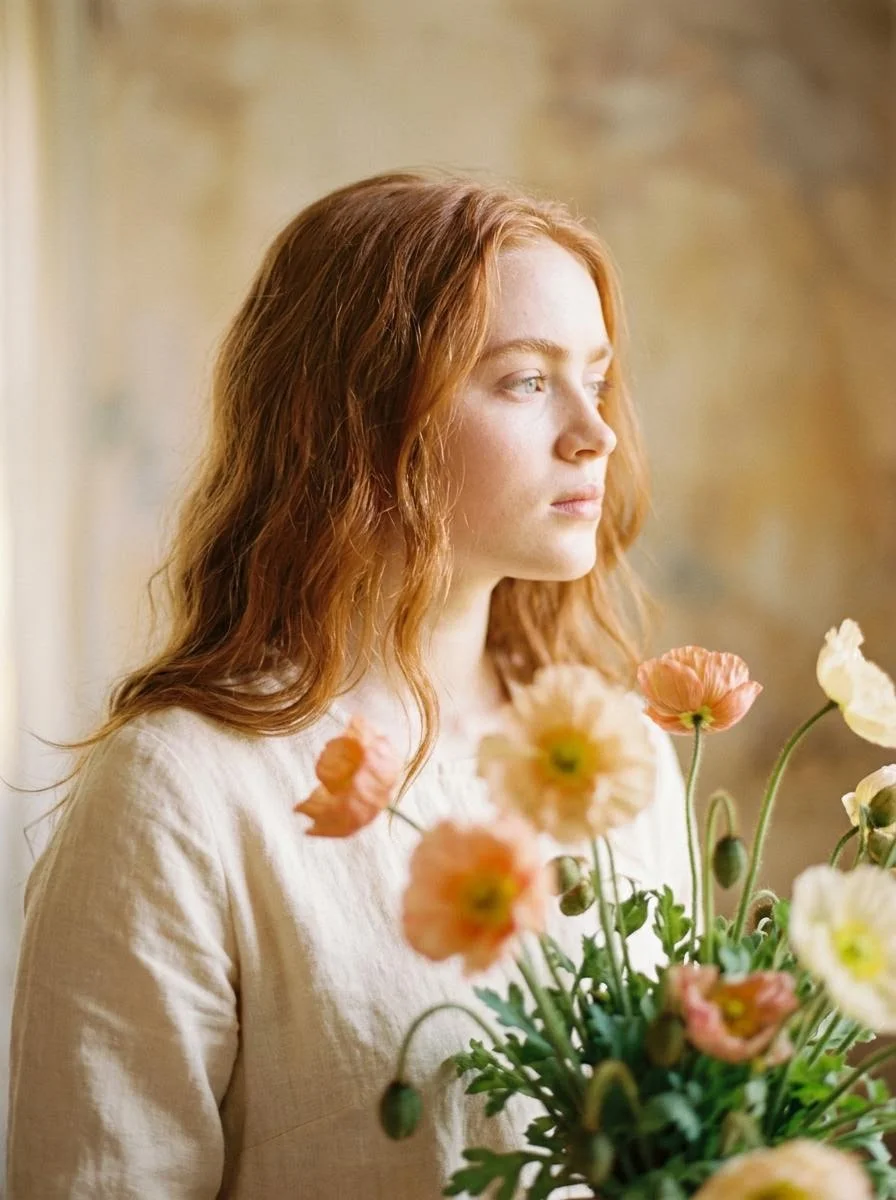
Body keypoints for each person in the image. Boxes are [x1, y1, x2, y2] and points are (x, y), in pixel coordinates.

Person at [5, 170, 691, 1198]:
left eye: (592, 378)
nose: (592, 432)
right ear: (359, 416)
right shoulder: (181, 792)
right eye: (521, 381)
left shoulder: (619, 754)